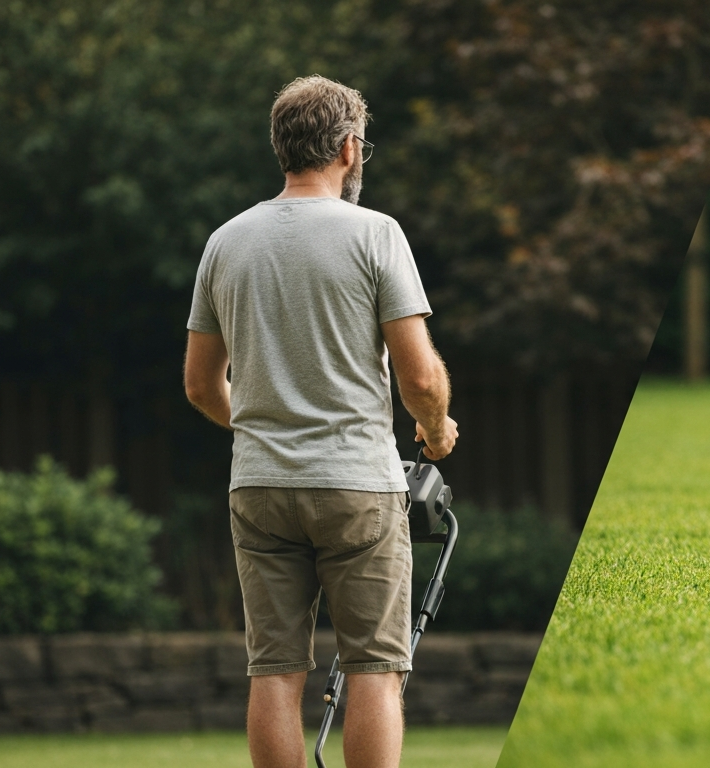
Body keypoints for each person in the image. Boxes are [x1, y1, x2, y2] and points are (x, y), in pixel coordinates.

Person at [182, 74, 458, 768]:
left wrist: (258, 431)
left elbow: (198, 385)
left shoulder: (225, 242)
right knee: (375, 669)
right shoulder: (376, 234)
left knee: (274, 671)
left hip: (260, 486)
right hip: (357, 487)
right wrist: (437, 429)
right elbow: (420, 377)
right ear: (348, 147)